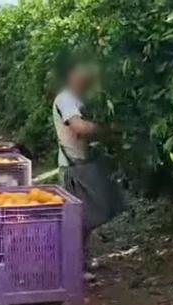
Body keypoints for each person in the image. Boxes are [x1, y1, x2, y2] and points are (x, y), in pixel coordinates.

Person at [53, 63, 124, 250]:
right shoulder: (65, 98)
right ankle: (70, 265)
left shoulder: (81, 100)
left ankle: (78, 262)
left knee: (86, 217)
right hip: (73, 168)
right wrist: (111, 130)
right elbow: (80, 128)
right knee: (76, 219)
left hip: (84, 165)